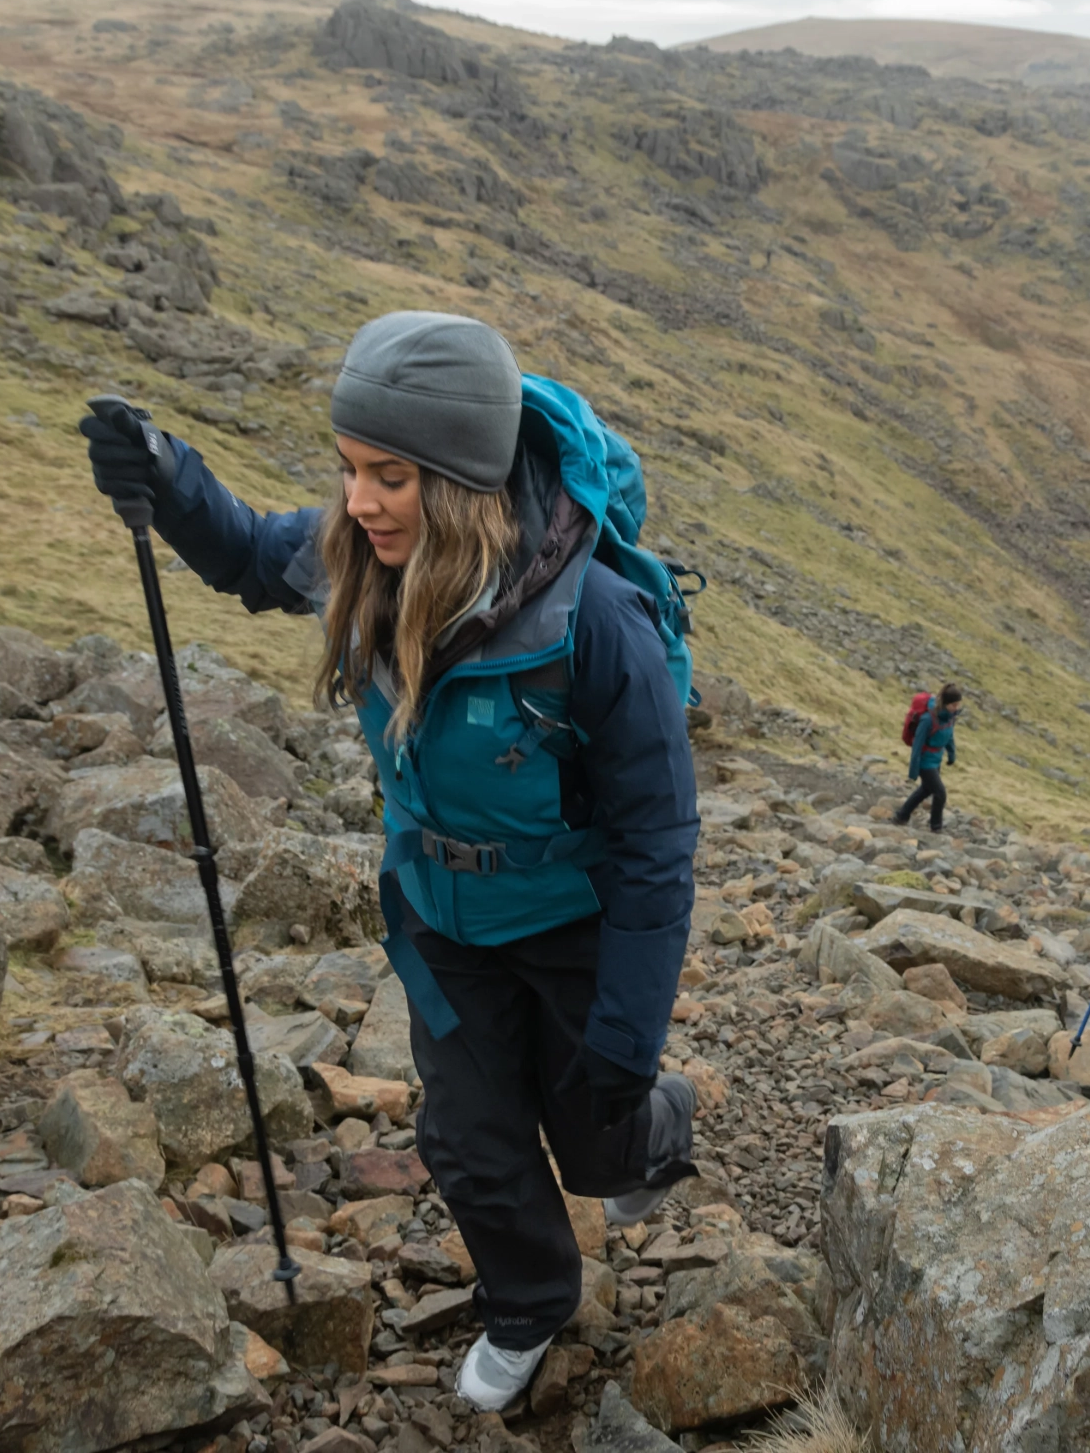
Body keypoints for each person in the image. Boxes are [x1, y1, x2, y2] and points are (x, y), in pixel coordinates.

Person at [80, 311, 701, 1411]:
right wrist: (168, 476)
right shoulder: (360, 558)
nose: (358, 502)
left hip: (573, 929)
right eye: (350, 470)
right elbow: (238, 553)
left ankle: (655, 1131)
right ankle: (529, 1303)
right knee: (467, 1138)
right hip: (440, 920)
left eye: (390, 476)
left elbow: (658, 840)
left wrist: (632, 1030)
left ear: (460, 481)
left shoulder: (598, 622)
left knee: (599, 1140)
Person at [896, 683, 963, 833]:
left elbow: (949, 735)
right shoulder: (927, 719)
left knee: (926, 790)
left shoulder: (950, 717)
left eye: (958, 704)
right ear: (945, 703)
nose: (957, 707)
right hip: (925, 762)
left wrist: (952, 753)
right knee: (940, 793)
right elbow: (917, 746)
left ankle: (901, 816)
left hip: (936, 759)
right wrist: (913, 771)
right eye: (954, 704)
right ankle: (936, 827)